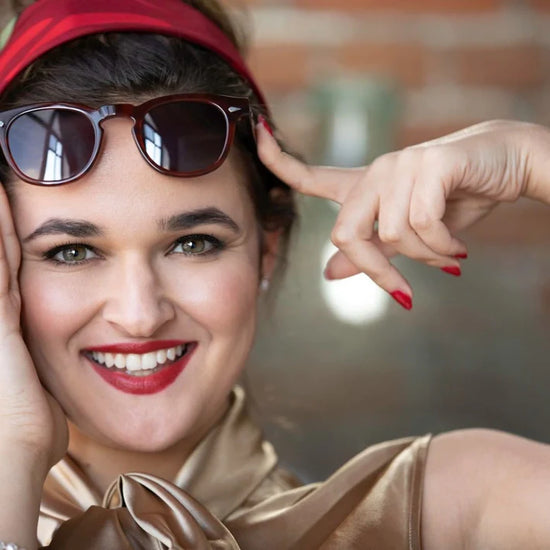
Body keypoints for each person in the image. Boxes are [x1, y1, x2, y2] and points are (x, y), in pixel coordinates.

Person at [0, 1, 549, 549]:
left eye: (193, 244)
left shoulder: (438, 511)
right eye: (71, 252)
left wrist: (529, 157)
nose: (140, 314)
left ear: (268, 248)